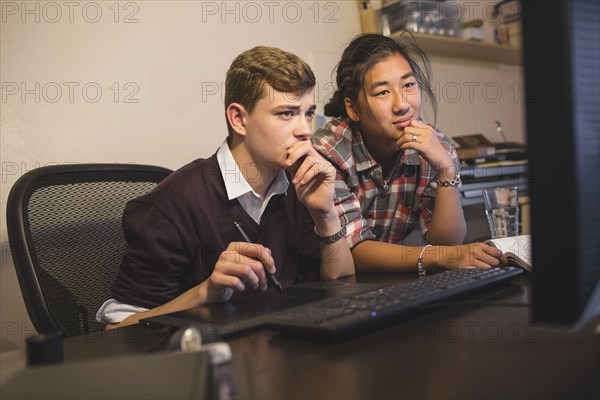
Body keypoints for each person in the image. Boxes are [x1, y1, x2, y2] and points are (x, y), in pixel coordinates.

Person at [97, 46, 354, 328]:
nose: (305, 129)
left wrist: (326, 214)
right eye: (286, 114)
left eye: (308, 113)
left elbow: (341, 289)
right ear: (238, 118)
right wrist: (205, 293)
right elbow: (118, 331)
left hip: (286, 354)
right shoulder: (171, 205)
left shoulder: (302, 185)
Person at [311, 33, 507, 273]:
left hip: (386, 284)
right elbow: (354, 250)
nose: (402, 104)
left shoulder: (437, 145)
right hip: (324, 284)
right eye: (383, 92)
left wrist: (446, 169)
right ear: (353, 108)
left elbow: (448, 242)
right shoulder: (327, 151)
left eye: (408, 85)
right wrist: (439, 256)